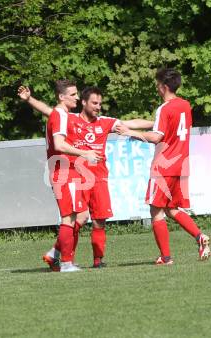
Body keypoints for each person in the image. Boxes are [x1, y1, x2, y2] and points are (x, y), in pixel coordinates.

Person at [18, 85, 153, 269]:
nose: (98, 107)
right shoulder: (69, 118)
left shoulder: (105, 122)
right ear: (84, 102)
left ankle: (90, 259)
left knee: (98, 219)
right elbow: (50, 111)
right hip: (77, 175)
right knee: (77, 218)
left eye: (100, 103)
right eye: (94, 103)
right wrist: (29, 99)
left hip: (98, 177)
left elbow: (131, 123)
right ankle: (64, 259)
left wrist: (158, 124)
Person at [116, 68, 211, 265]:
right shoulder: (185, 105)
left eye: (158, 85)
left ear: (164, 86)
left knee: (156, 211)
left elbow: (157, 136)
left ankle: (166, 257)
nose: (157, 89)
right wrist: (126, 124)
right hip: (181, 164)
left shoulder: (164, 108)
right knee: (171, 209)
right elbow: (164, 126)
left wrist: (129, 133)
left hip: (164, 166)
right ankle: (200, 237)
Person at [44, 79, 102, 272]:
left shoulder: (61, 114)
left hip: (67, 171)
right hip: (62, 172)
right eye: (73, 95)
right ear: (61, 97)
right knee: (68, 218)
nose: (77, 97)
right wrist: (84, 153)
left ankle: (55, 255)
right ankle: (66, 263)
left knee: (82, 215)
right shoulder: (60, 115)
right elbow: (59, 145)